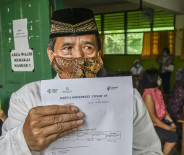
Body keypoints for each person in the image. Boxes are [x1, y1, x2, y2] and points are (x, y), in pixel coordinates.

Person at [0, 8, 162, 155]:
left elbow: (149, 151)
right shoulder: (26, 99)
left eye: (87, 47)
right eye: (67, 48)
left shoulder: (128, 98)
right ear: (51, 55)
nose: (78, 56)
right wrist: (24, 140)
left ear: (99, 53)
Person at [141, 69, 178, 155]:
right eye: (158, 78)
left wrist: (171, 122)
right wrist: (168, 128)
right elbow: (153, 119)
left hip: (159, 121)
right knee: (173, 137)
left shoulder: (157, 91)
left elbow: (164, 110)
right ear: (152, 80)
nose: (160, 79)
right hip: (151, 125)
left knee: (177, 130)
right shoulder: (148, 95)